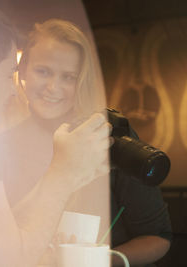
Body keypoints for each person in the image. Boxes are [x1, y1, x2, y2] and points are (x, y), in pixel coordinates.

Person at [0, 1, 111, 266]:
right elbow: (9, 259)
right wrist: (63, 175)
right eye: (10, 74)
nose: (13, 89)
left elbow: (8, 229)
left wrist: (70, 176)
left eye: (69, 77)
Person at [15, 19, 171, 266]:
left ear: (81, 80)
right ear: (22, 69)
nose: (53, 87)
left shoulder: (110, 136)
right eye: (43, 71)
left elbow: (157, 237)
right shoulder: (5, 144)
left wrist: (101, 260)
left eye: (68, 77)